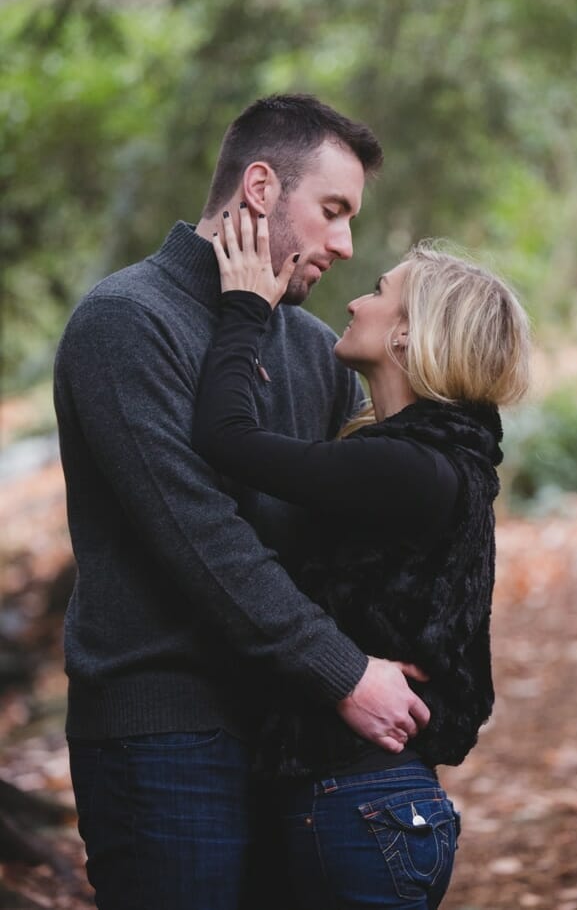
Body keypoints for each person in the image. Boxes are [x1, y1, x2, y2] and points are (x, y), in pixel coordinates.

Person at [53, 94, 432, 910]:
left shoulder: (312, 349)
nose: (345, 243)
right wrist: (343, 673)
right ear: (260, 188)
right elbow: (199, 535)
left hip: (290, 735)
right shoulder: (123, 321)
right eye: (332, 211)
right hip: (164, 736)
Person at [192, 210, 531, 908]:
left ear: (408, 331)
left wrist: (246, 310)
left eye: (379, 290)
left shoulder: (404, 468)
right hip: (374, 803)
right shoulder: (439, 460)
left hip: (360, 804)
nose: (353, 299)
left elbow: (226, 438)